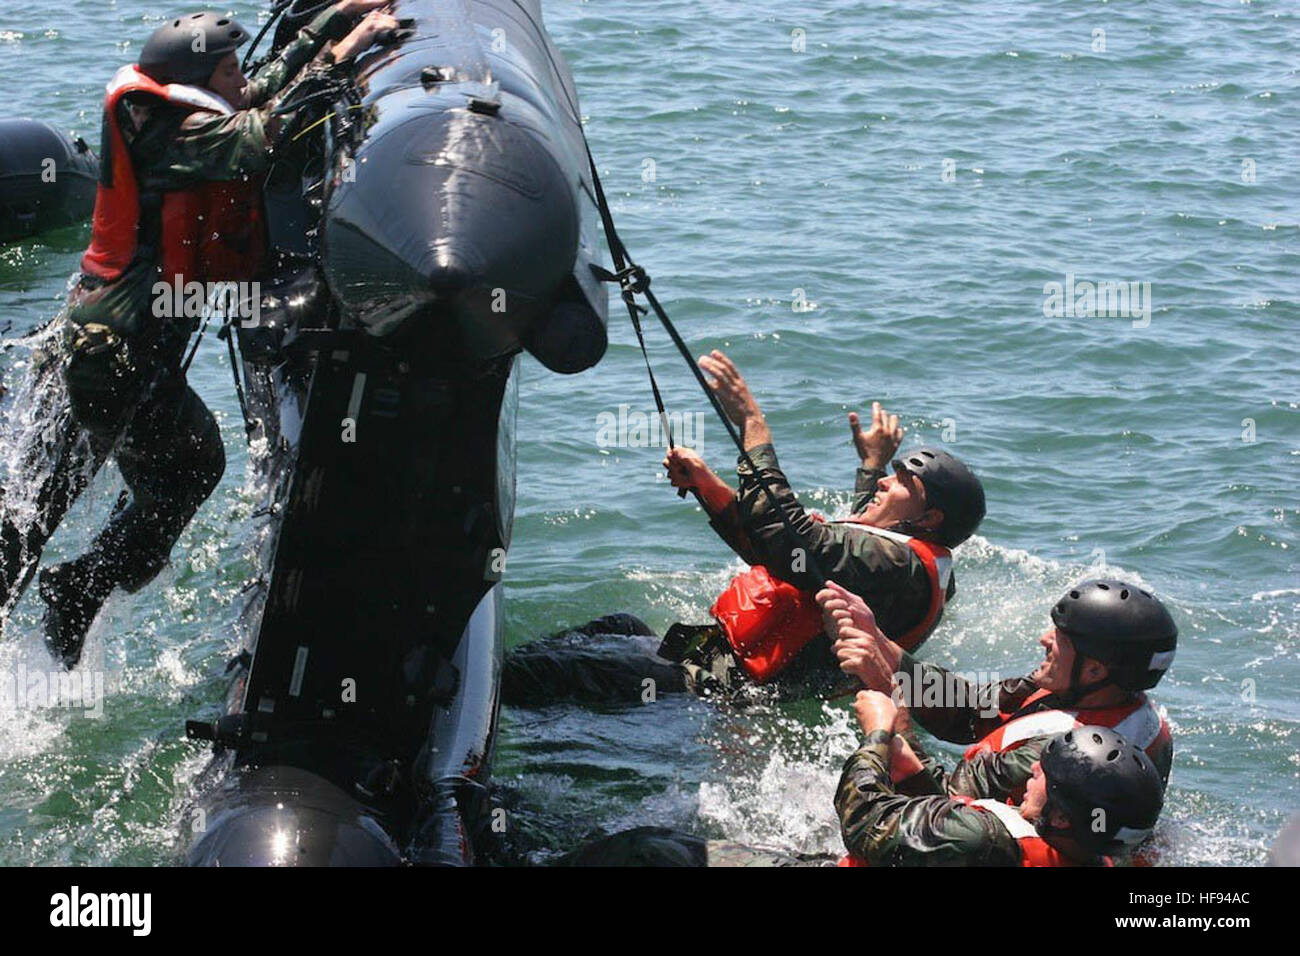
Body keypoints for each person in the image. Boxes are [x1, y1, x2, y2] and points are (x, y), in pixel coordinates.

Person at [0, 3, 399, 666]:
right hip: (114, 359)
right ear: (199, 80)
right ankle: (77, 590)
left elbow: (256, 94)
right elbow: (261, 133)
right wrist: (344, 51)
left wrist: (328, 25)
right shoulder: (172, 134)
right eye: (230, 69)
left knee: (85, 495)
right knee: (108, 491)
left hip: (111, 352)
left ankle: (78, 589)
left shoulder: (186, 113)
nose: (243, 79)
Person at [501, 349, 986, 705]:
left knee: (539, 673)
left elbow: (787, 538)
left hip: (721, 686)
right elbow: (839, 541)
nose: (884, 483)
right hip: (710, 654)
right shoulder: (896, 557)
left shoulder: (899, 566)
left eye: (901, 482)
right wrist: (708, 487)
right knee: (619, 626)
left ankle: (472, 713)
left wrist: (753, 424)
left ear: (930, 519)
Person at [821, 576, 1177, 795]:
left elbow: (939, 810)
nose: (1044, 638)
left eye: (1061, 637)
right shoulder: (1088, 690)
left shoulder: (1075, 755)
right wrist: (882, 643)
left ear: (1095, 670)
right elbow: (970, 708)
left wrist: (888, 694)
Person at [836, 689, 1165, 866]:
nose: (1034, 769)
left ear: (1062, 817)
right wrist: (916, 773)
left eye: (1046, 772)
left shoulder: (983, 841)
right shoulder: (1089, 852)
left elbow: (862, 820)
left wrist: (877, 733)